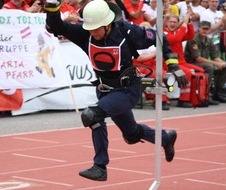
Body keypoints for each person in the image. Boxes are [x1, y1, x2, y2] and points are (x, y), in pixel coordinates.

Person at [45, 0, 188, 181]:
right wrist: (52, 6)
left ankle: (100, 167)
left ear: (107, 23)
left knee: (92, 116)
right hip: (104, 90)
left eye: (97, 28)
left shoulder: (128, 30)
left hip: (127, 90)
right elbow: (55, 26)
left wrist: (173, 66)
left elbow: (160, 37)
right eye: (90, 28)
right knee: (132, 134)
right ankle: (166, 138)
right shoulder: (85, 33)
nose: (93, 32)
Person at [185, 21, 226, 102]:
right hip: (192, 63)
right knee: (209, 67)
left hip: (203, 63)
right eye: (203, 28)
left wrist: (222, 63)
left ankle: (218, 93)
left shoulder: (208, 40)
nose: (205, 31)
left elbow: (215, 56)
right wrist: (216, 63)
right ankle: (206, 94)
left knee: (223, 67)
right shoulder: (193, 39)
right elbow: (197, 58)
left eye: (207, 29)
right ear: (199, 29)